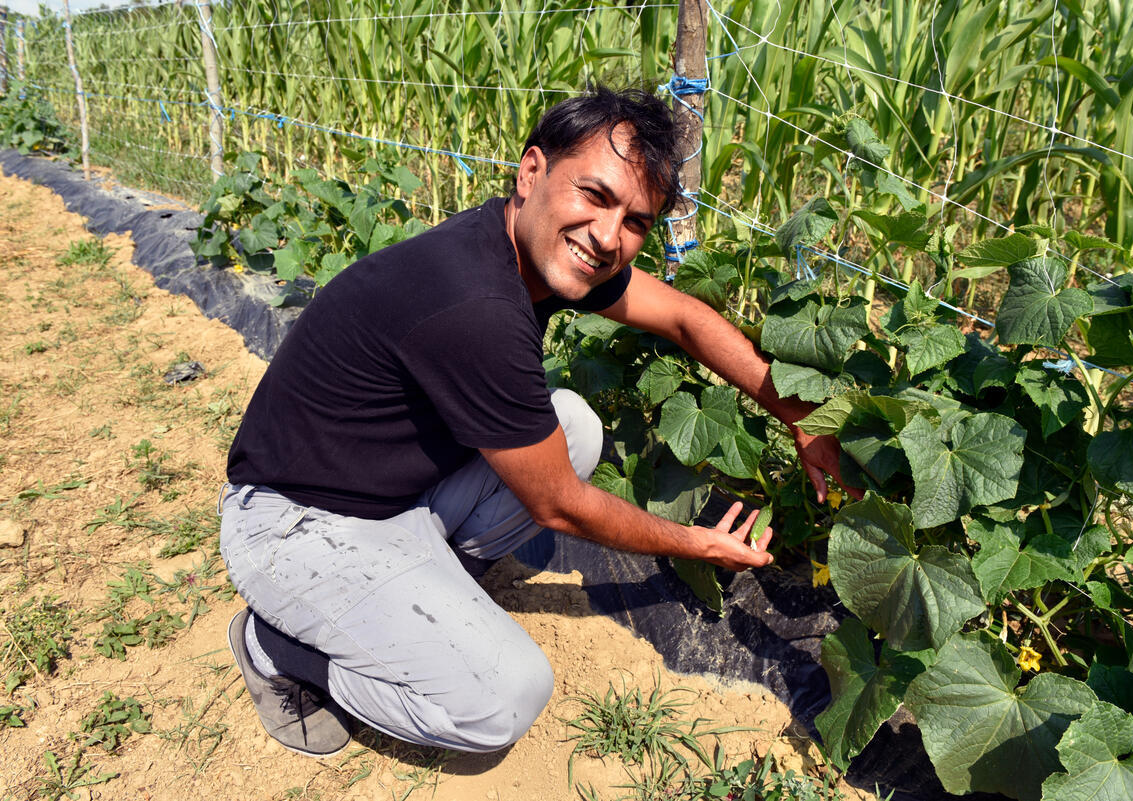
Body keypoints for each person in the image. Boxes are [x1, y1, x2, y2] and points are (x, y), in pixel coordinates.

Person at [218, 85, 853, 758]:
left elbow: (684, 318)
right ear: (531, 173)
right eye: (595, 195)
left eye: (637, 221)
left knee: (572, 424)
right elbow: (559, 506)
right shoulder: (476, 302)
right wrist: (697, 543)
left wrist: (801, 419)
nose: (609, 236)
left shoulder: (537, 250)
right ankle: (277, 644)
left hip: (389, 495)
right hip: (292, 524)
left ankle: (415, 596)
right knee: (501, 701)